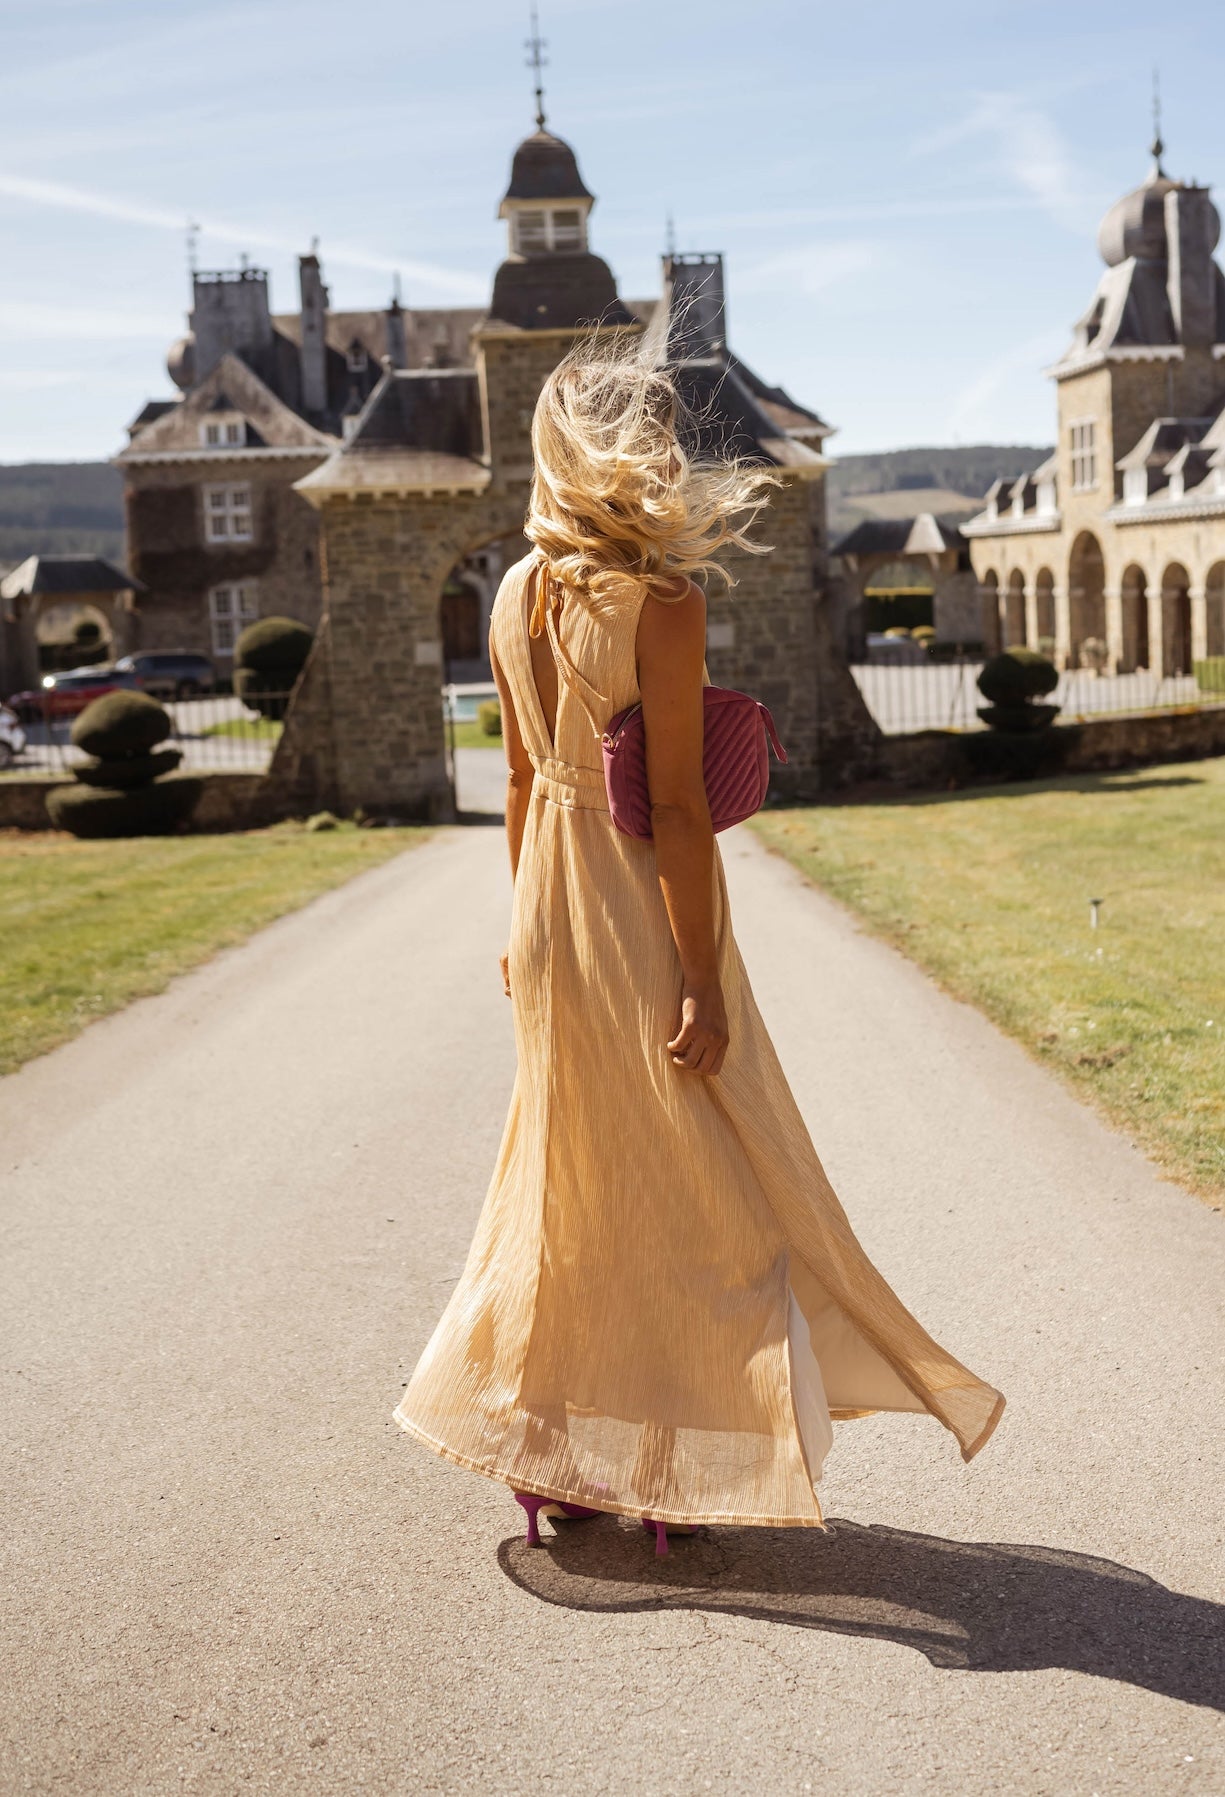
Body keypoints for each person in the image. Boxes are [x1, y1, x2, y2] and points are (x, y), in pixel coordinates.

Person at [394, 336, 1003, 1555]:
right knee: (704, 1193)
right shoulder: (662, 604)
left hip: (549, 911)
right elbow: (674, 808)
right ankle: (674, 1471)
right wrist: (700, 981)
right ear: (638, 457)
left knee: (573, 1190)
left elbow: (516, 780)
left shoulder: (512, 593)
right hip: (633, 914)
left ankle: (560, 1460)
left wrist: (525, 927)